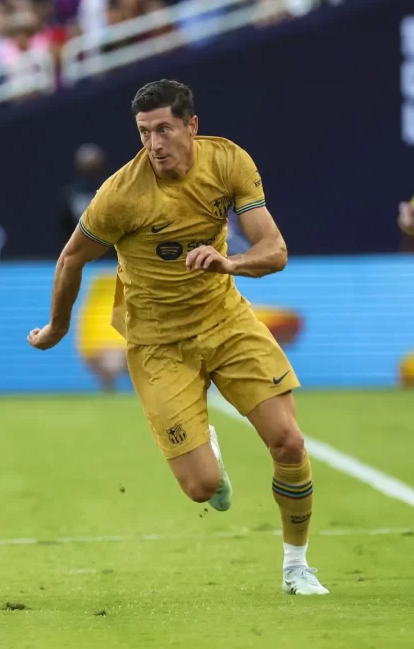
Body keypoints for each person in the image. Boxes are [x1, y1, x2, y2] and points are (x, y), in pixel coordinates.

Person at [27, 79, 329, 596]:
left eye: (163, 129)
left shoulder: (228, 162)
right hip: (158, 344)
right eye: (144, 132)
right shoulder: (120, 195)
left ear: (192, 125)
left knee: (289, 441)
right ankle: (204, 446)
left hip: (226, 320)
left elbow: (274, 249)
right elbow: (73, 256)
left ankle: (296, 565)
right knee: (202, 487)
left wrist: (229, 262)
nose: (154, 143)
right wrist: (57, 326)